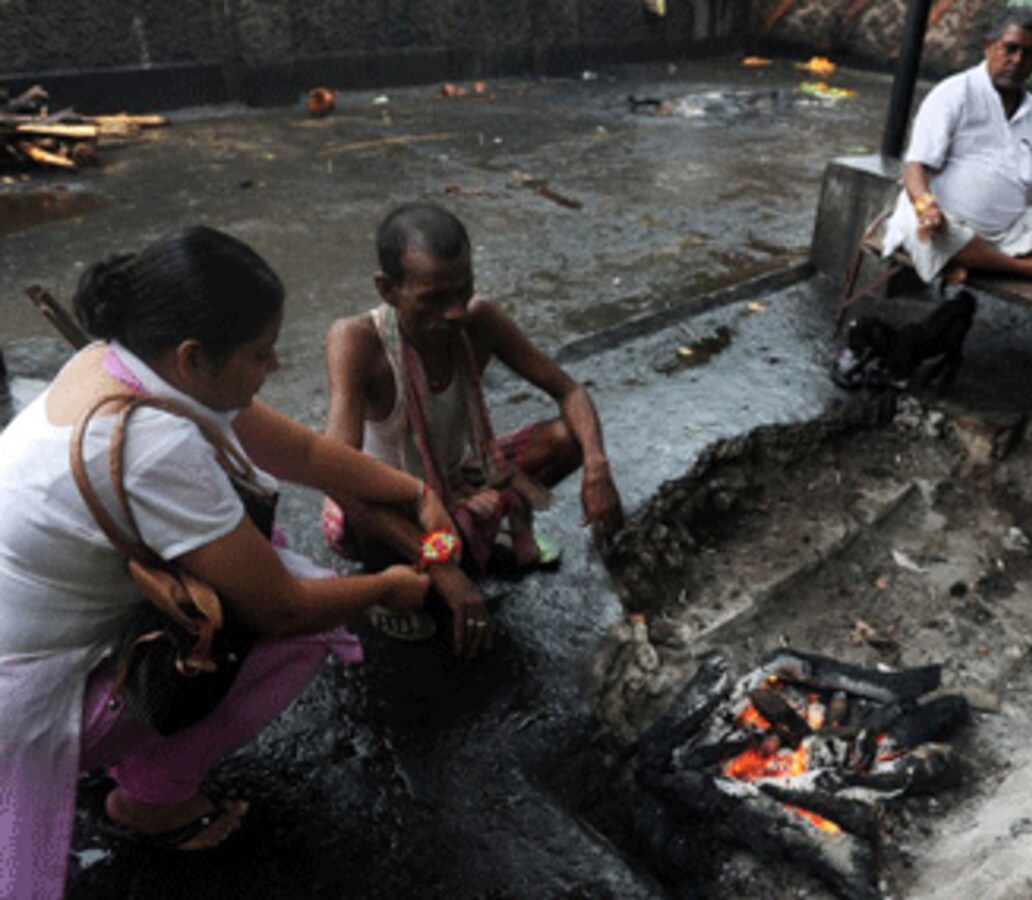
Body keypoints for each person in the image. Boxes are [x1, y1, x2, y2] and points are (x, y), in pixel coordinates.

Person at [0, 227, 450, 899]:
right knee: (307, 619)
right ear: (193, 358)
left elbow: (296, 452)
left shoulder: (115, 362)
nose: (272, 367)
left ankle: (117, 748)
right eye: (260, 354)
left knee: (261, 562)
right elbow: (281, 607)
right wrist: (385, 587)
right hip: (19, 708)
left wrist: (416, 493)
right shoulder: (153, 443)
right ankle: (151, 799)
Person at [323, 203, 625, 657]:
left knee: (567, 439)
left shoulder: (478, 319)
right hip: (389, 505)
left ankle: (468, 542)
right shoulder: (357, 340)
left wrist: (597, 469)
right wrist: (444, 568)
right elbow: (337, 475)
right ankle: (401, 585)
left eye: (463, 292)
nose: (454, 313)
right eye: (433, 298)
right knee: (377, 509)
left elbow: (570, 391)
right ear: (388, 289)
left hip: (450, 480)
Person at [882, 5, 1032, 286]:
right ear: (989, 47)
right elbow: (915, 166)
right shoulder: (954, 94)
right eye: (1011, 49)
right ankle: (1029, 269)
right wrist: (926, 207)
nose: (1018, 60)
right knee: (937, 232)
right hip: (946, 223)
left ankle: (977, 262)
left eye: (1030, 54)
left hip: (1007, 234)